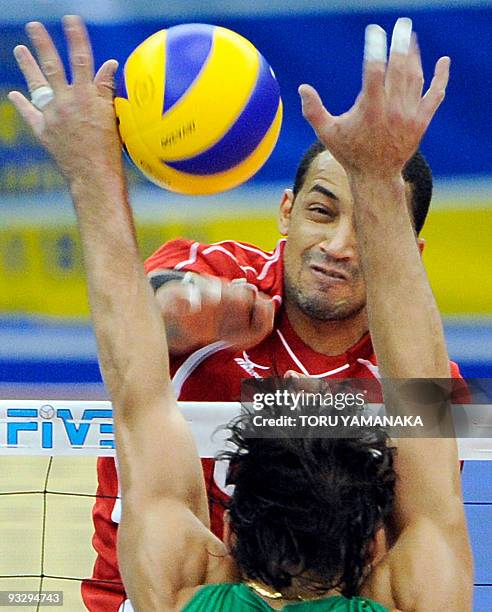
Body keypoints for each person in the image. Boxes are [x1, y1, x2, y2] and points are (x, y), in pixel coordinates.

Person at [10, 15, 473, 611]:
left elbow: (133, 365)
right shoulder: (222, 272)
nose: (337, 246)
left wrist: (91, 170)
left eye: (368, 227)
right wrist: (178, 314)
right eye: (323, 212)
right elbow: (431, 523)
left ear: (225, 533)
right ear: (287, 211)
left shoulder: (186, 588)